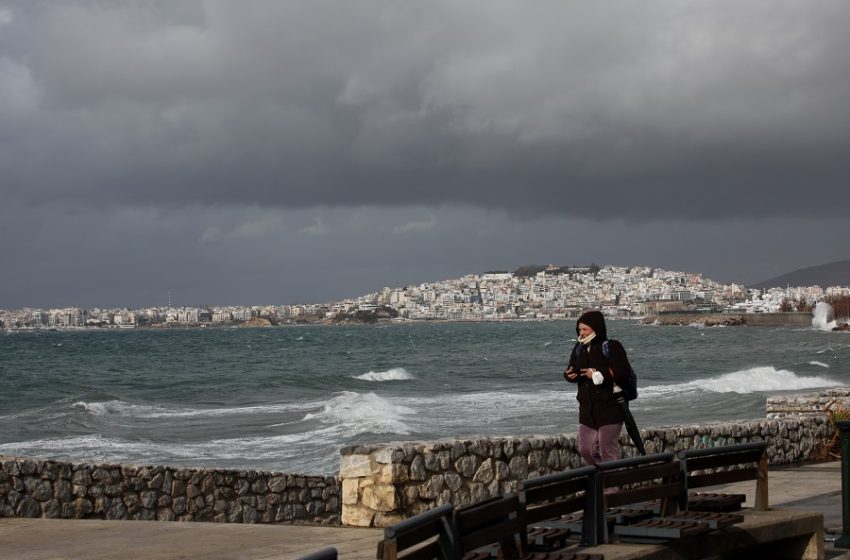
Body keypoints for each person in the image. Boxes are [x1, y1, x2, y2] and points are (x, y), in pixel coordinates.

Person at [563, 310, 633, 466]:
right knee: (586, 450)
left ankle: (611, 488)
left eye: (585, 329)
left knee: (607, 451)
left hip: (610, 408)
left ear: (596, 329)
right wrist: (569, 375)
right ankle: (602, 483)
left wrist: (598, 373)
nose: (581, 333)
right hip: (587, 409)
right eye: (579, 330)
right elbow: (572, 369)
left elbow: (623, 372)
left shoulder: (612, 346)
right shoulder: (578, 349)